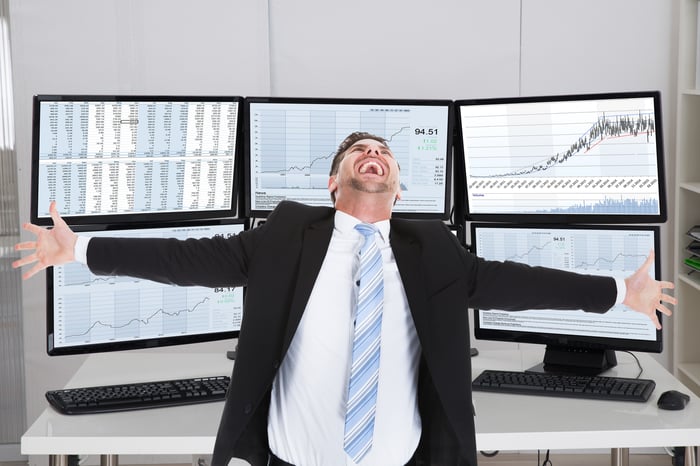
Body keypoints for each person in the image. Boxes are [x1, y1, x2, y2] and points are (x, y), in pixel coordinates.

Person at [13, 131, 676, 466]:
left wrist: (620, 292)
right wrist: (81, 250)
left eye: (383, 152)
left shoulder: (432, 249)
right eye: (359, 150)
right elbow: (189, 259)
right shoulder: (283, 236)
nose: (374, 154)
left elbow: (517, 281)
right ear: (334, 182)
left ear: (397, 186)